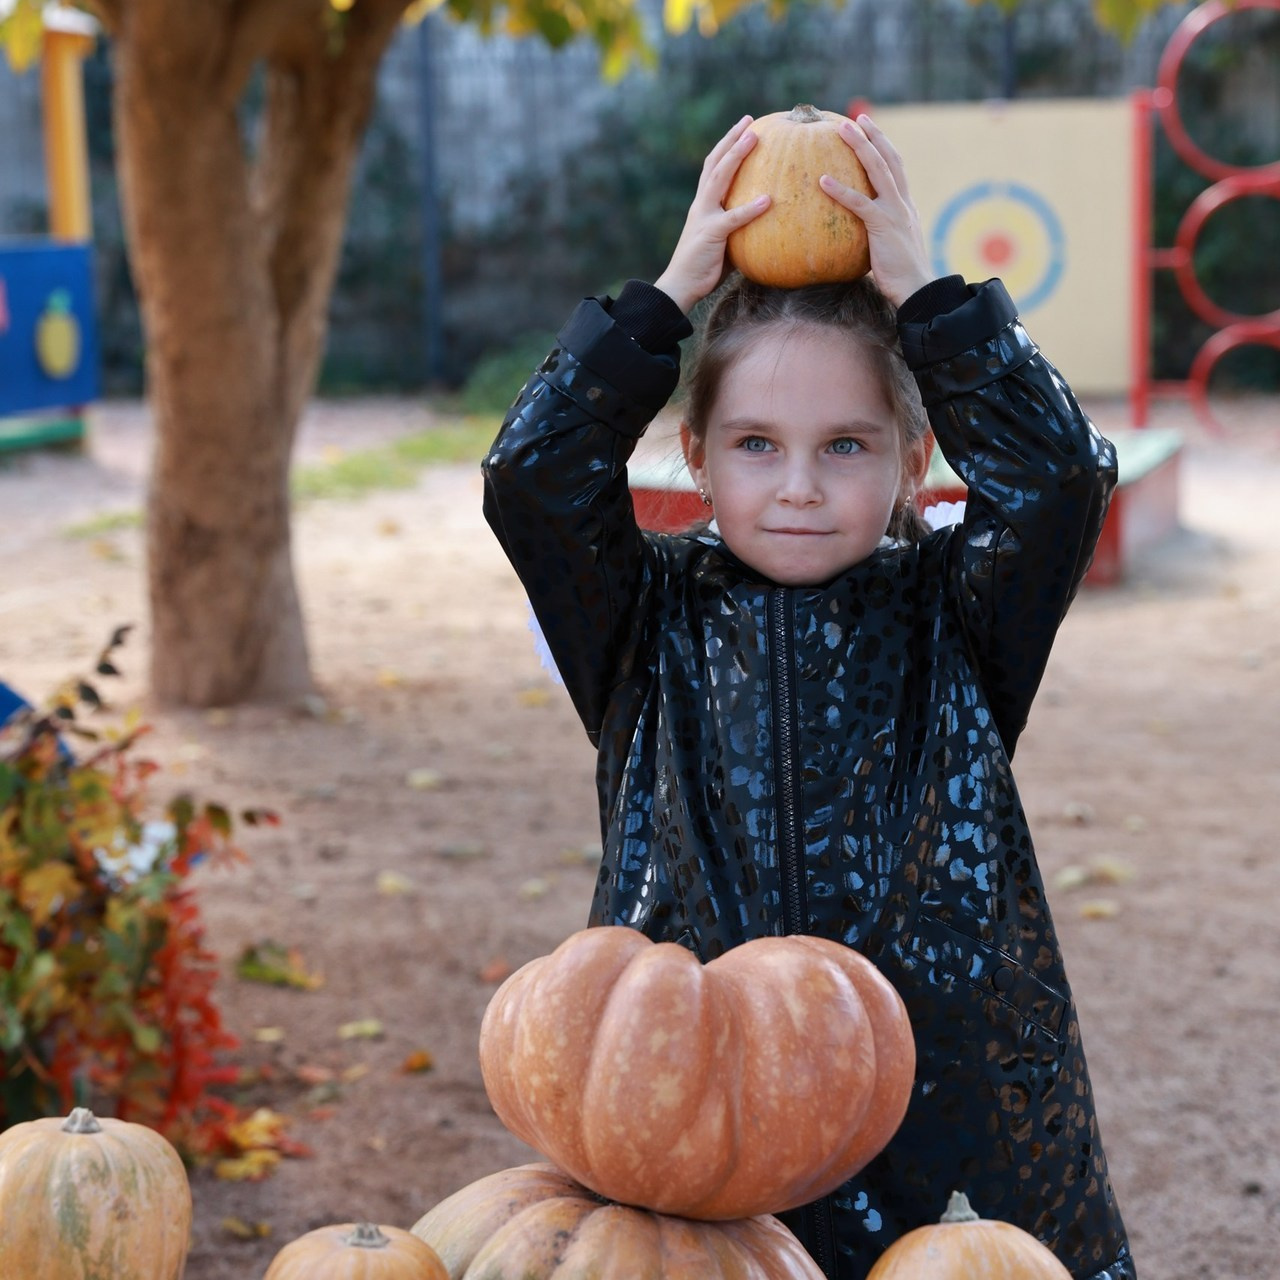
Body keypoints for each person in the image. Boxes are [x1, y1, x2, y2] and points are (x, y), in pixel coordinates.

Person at [481, 113, 1135, 1280]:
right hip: (690, 1083)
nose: (796, 485)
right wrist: (667, 297)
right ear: (695, 453)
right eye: (754, 444)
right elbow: (531, 477)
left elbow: (1058, 477)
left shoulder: (960, 608)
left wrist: (930, 301)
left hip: (946, 1084)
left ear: (910, 458)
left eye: (843, 445)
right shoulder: (638, 615)